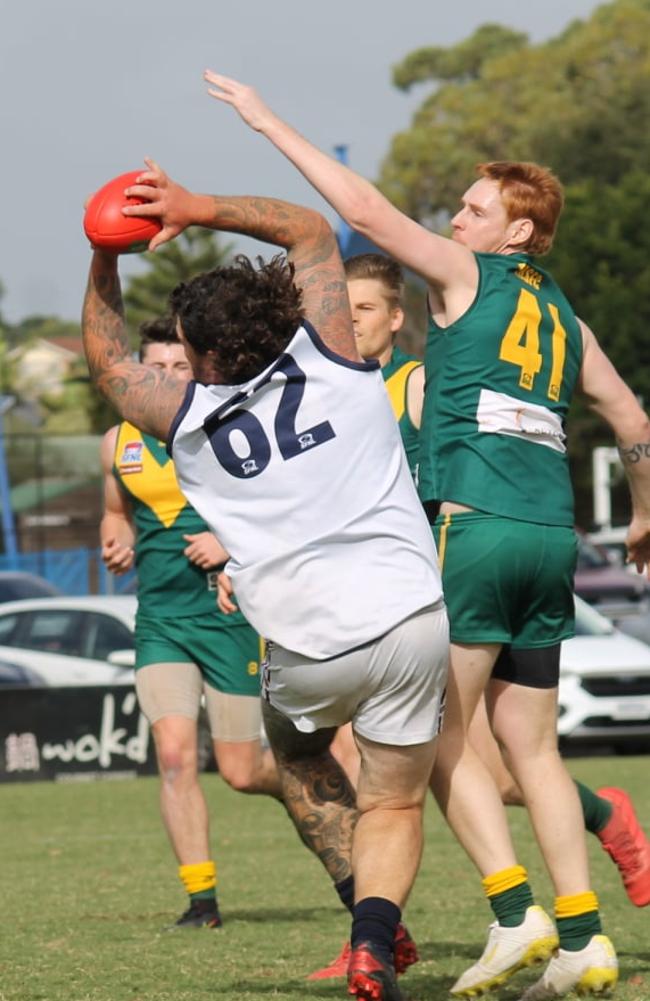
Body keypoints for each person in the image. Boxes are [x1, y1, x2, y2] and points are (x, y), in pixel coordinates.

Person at [203, 73, 650, 1000]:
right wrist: (644, 513)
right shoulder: (563, 315)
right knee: (533, 751)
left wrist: (265, 118)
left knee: (426, 726)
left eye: (474, 208)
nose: (455, 219)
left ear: (516, 232)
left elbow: (359, 209)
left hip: (477, 526)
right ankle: (585, 939)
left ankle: (514, 908)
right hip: (550, 535)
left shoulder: (468, 274)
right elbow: (631, 419)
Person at [82, 162, 449, 1001]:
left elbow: (106, 357)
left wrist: (107, 254)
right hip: (409, 616)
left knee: (293, 753)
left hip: (305, 642)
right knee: (394, 803)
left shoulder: (183, 417)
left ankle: (363, 919)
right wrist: (196, 207)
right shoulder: (337, 352)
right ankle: (372, 943)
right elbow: (310, 231)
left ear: (199, 355)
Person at [100, 314, 281, 929]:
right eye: (157, 367)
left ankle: (316, 786)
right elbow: (114, 512)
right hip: (161, 622)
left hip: (228, 620)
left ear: (199, 370)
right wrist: (115, 538)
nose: (168, 377)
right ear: (140, 373)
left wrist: (225, 541)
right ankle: (201, 901)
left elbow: (278, 508)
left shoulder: (228, 431)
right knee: (175, 756)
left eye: (181, 366)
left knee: (241, 771)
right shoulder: (119, 440)